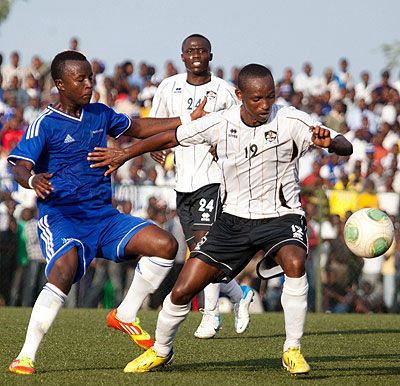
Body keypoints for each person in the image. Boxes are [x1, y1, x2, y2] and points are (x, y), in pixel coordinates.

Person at [88, 63, 353, 375]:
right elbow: (169, 138)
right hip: (233, 221)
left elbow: (344, 145)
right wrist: (125, 154)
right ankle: (161, 351)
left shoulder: (292, 119)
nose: (265, 105)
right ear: (240, 95)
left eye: (270, 97)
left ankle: (292, 349)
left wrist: (328, 143)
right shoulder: (220, 122)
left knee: (295, 262)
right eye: (257, 99)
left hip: (281, 216)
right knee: (183, 290)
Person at [7, 50, 205, 375]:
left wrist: (186, 120)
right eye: (80, 79)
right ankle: (25, 356)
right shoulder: (45, 123)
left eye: (91, 77)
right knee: (64, 270)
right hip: (63, 217)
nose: (89, 84)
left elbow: (139, 127)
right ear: (60, 84)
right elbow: (19, 165)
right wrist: (31, 178)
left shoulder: (100, 113)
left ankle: (124, 314)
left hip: (105, 217)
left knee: (166, 245)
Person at [149, 33, 254, 339]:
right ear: (182, 56)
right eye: (190, 50)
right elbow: (156, 123)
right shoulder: (169, 86)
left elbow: (241, 124)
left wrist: (225, 147)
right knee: (198, 252)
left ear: (210, 55)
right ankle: (237, 294)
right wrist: (155, 147)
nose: (196, 54)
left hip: (212, 177)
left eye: (202, 50)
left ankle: (210, 315)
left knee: (205, 248)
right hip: (183, 181)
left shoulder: (223, 90)